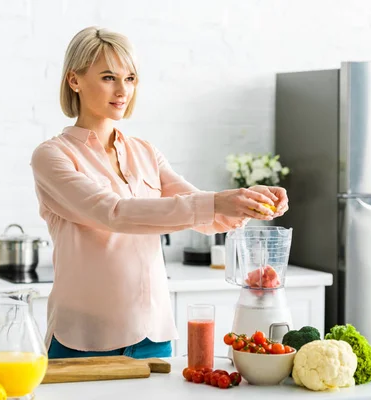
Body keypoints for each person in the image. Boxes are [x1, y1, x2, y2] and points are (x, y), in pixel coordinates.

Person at [30, 26, 289, 360]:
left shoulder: (145, 152)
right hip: (85, 336)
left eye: (131, 78)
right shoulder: (53, 156)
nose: (123, 90)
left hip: (154, 334)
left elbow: (209, 218)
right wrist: (217, 202)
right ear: (74, 80)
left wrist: (249, 202)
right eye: (109, 77)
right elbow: (113, 213)